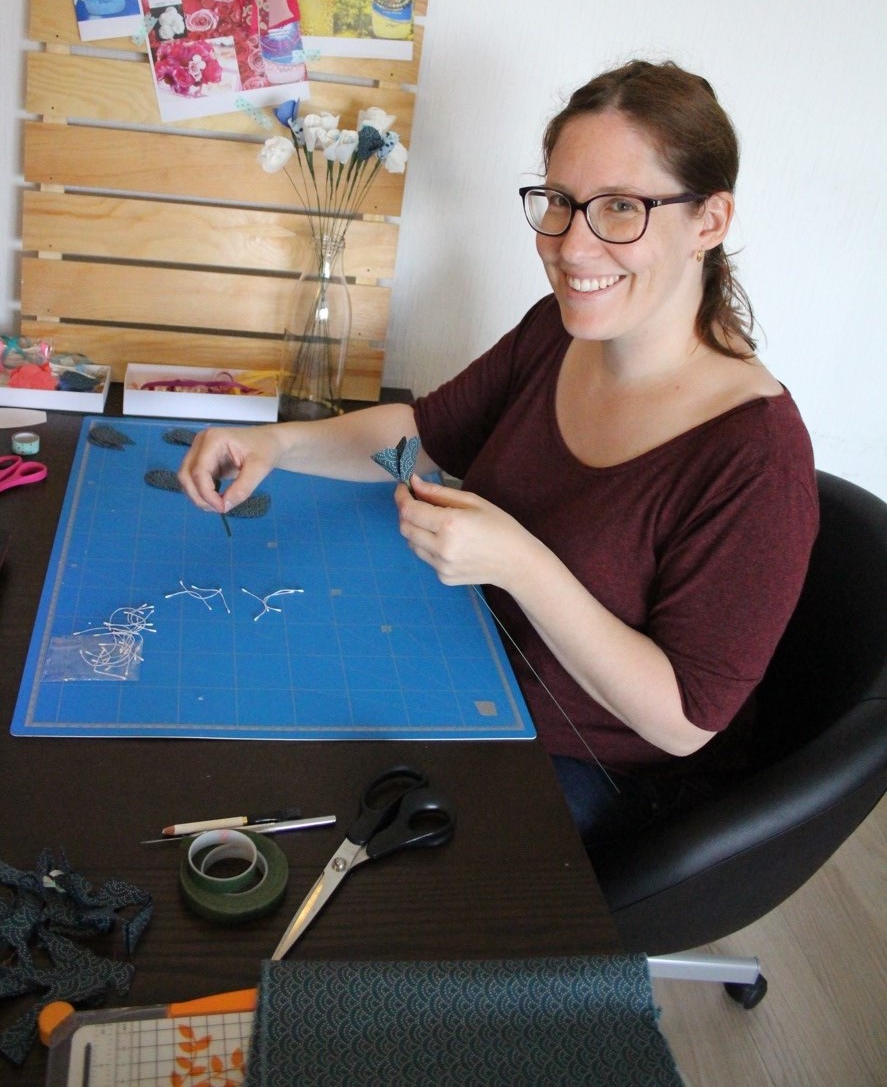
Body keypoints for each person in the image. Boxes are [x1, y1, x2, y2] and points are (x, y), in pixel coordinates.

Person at [177, 60, 819, 854]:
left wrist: (519, 562)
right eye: (557, 203)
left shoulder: (756, 459)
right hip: (469, 674)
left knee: (310, 824)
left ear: (708, 221)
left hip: (601, 774)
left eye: (620, 208)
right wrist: (276, 442)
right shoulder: (556, 331)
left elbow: (684, 720)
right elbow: (420, 437)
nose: (572, 244)